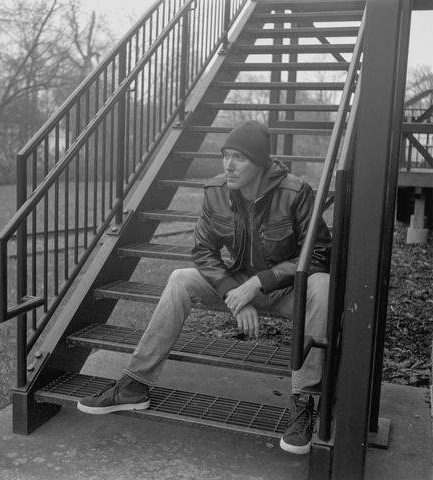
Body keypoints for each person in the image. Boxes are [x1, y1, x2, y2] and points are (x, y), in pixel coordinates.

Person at [77, 120, 331, 455]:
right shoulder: (215, 192)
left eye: (239, 157)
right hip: (237, 284)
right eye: (225, 155)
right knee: (180, 278)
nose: (228, 165)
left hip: (285, 290)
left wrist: (258, 284)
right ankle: (135, 384)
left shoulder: (296, 193)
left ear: (260, 162)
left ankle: (304, 402)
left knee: (323, 286)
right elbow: (202, 250)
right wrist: (232, 292)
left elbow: (320, 253)